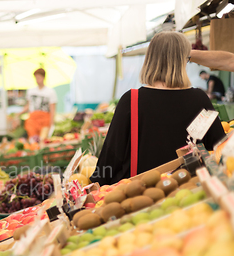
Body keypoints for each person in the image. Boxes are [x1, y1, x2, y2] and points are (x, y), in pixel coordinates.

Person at [91, 31, 225, 186]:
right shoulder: (200, 99)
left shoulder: (131, 100)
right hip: (189, 193)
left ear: (150, 59)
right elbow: (219, 150)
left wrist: (95, 185)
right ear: (184, 61)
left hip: (141, 196)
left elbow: (111, 155)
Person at [22, 68, 57, 141]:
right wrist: (18, 113)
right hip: (33, 119)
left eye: (39, 78)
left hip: (45, 119)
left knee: (43, 140)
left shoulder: (50, 92)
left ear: (43, 77)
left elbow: (52, 110)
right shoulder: (30, 91)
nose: (37, 80)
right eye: (36, 78)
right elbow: (28, 105)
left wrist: (52, 124)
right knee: (33, 140)